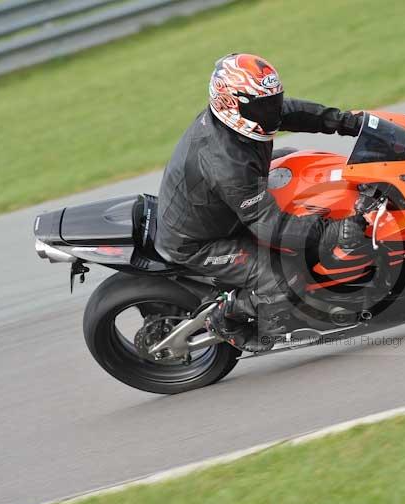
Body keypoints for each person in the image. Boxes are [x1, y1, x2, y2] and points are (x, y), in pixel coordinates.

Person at [155, 53, 368, 352]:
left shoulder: (249, 116)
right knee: (285, 277)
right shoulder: (226, 162)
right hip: (199, 242)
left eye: (272, 101)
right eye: (263, 105)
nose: (271, 111)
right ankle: (226, 317)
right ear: (229, 103)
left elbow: (292, 112)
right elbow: (272, 228)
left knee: (302, 163)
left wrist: (348, 122)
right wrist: (331, 231)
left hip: (227, 205)